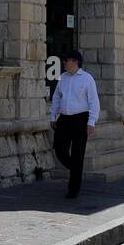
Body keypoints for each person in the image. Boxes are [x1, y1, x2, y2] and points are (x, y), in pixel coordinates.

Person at [50, 50, 99, 198]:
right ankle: (75, 169)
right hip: (64, 119)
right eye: (64, 60)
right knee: (59, 148)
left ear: (76, 61)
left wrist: (91, 122)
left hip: (80, 119)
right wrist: (53, 116)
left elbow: (93, 101)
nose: (64, 63)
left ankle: (73, 189)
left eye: (67, 60)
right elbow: (57, 97)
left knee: (78, 153)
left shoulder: (87, 79)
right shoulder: (63, 78)